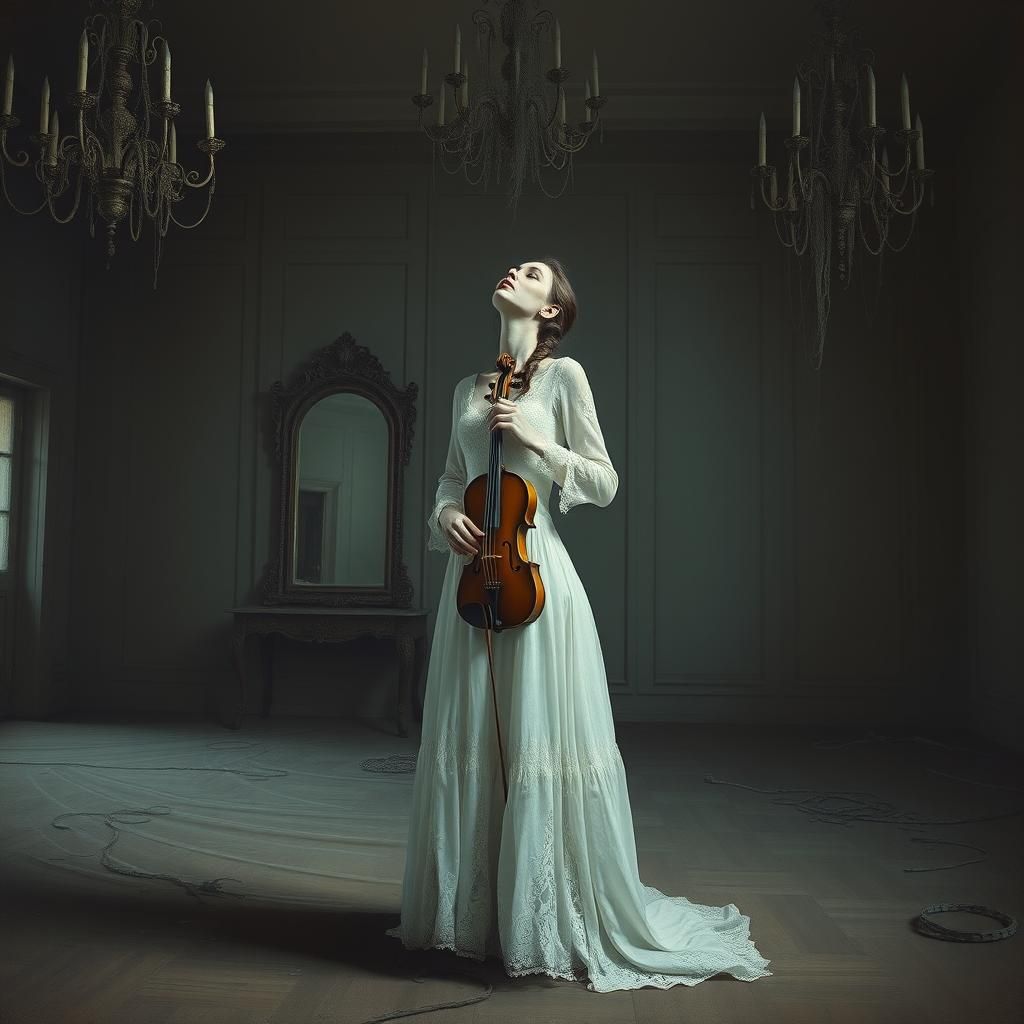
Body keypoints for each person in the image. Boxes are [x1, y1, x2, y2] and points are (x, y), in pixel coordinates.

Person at [386, 257, 773, 992]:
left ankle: (544, 919)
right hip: (472, 582)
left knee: (537, 739)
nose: (514, 270)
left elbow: (602, 480)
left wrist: (538, 447)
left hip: (537, 580)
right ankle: (472, 920)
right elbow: (445, 478)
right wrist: (445, 514)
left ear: (553, 309)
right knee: (473, 737)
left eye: (532, 271)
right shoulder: (469, 388)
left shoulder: (566, 379)